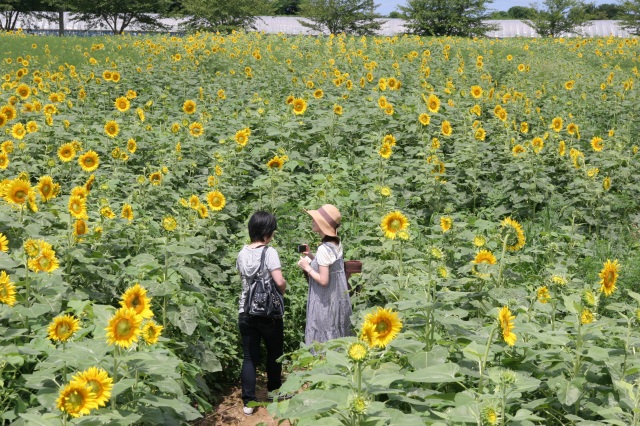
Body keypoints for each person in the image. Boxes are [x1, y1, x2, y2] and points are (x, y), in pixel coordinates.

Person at [236, 211, 286, 416]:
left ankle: (248, 401)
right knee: (274, 353)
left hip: (245, 311)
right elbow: (280, 281)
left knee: (249, 357)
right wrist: (282, 290)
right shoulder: (270, 252)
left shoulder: (242, 253)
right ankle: (274, 392)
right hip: (268, 312)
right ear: (267, 231)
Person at [297, 204, 353, 346]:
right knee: (336, 332)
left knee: (322, 336)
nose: (313, 221)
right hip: (337, 298)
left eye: (316, 220)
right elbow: (328, 265)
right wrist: (310, 255)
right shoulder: (336, 243)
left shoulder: (323, 249)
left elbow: (323, 280)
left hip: (324, 301)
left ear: (323, 225)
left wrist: (307, 267)